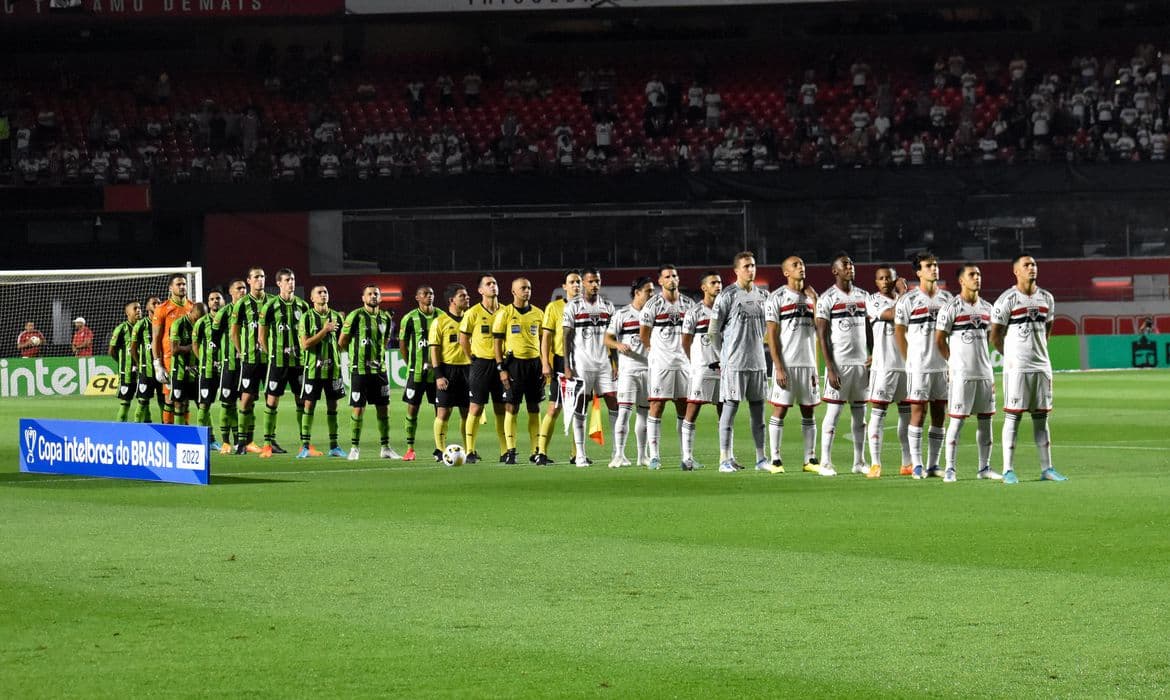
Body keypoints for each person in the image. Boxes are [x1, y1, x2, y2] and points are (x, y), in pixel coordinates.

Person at [990, 254, 1067, 484]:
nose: (1031, 268)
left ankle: (1047, 468)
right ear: (1016, 271)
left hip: (1042, 366)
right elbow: (995, 336)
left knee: (1041, 418)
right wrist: (1012, 356)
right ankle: (1008, 470)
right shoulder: (1007, 299)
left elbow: (1048, 328)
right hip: (1017, 368)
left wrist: (1039, 350)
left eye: (1033, 264)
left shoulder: (1047, 298)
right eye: (1026, 265)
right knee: (1013, 417)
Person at [709, 252, 770, 473]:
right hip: (734, 363)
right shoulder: (727, 295)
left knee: (758, 411)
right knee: (730, 409)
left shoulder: (763, 296)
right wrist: (722, 357)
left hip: (758, 363)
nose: (750, 270)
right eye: (746, 266)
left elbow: (765, 329)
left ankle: (761, 458)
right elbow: (714, 331)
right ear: (736, 270)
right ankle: (725, 458)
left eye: (753, 265)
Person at [936, 263, 998, 482]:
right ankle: (950, 468)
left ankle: (984, 468)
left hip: (984, 374)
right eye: (972, 275)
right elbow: (939, 339)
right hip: (962, 375)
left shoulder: (988, 309)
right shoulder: (951, 307)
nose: (977, 278)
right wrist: (953, 363)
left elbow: (992, 339)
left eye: (979, 274)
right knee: (957, 421)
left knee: (985, 421)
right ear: (961, 280)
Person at [895, 252, 952, 479]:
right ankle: (916, 464)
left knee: (939, 413)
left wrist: (951, 361)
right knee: (918, 413)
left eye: (935, 265)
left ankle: (933, 464)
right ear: (918, 272)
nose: (934, 269)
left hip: (942, 366)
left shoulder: (948, 299)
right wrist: (909, 359)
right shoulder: (908, 300)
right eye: (929, 266)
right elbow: (899, 332)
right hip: (919, 366)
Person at [815, 253, 872, 477]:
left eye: (852, 264)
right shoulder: (827, 297)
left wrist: (874, 354)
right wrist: (829, 367)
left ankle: (859, 461)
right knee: (834, 413)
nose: (851, 268)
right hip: (840, 364)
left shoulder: (864, 296)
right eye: (845, 265)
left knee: (860, 415)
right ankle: (826, 462)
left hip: (861, 365)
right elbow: (821, 334)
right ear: (835, 271)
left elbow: (870, 328)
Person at [764, 256, 821, 473]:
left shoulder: (811, 297)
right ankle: (776, 460)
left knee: (809, 411)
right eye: (795, 265)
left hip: (808, 364)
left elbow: (820, 329)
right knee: (780, 410)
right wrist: (778, 366)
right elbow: (772, 335)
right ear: (786, 272)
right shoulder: (776, 297)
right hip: (786, 364)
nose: (801, 268)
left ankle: (810, 459)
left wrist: (815, 301)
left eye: (802, 264)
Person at [640, 264, 696, 470]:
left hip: (684, 364)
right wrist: (654, 355)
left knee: (684, 407)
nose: (671, 279)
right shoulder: (652, 305)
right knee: (657, 406)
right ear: (660, 282)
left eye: (674, 275)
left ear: (678, 279)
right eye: (667, 276)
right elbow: (644, 335)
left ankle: (686, 457)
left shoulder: (689, 304)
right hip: (661, 364)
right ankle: (654, 456)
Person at [562, 268, 618, 467]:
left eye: (598, 281)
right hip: (582, 364)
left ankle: (617, 452)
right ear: (583, 283)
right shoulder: (573, 307)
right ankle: (580, 454)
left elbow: (613, 338)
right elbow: (566, 338)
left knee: (614, 403)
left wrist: (616, 363)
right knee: (581, 405)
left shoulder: (608, 307)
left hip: (604, 364)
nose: (595, 285)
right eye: (591, 281)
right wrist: (567, 366)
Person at [865, 264, 914, 478]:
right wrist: (904, 294)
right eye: (881, 278)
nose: (885, 282)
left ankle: (907, 463)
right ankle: (875, 464)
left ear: (896, 280)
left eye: (889, 278)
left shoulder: (907, 300)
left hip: (906, 366)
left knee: (907, 415)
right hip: (884, 366)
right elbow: (892, 314)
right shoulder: (873, 300)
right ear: (876, 282)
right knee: (878, 413)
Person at [257, 268, 311, 457]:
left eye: (293, 279)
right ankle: (267, 443)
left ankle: (305, 444)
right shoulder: (270, 307)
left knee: (302, 401)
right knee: (272, 401)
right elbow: (261, 337)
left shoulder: (303, 306)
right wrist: (272, 354)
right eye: (287, 280)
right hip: (278, 363)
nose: (291, 283)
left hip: (298, 362)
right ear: (279, 283)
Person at [340, 285, 397, 460]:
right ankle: (354, 448)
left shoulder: (386, 318)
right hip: (360, 370)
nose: (373, 296)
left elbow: (386, 340)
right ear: (363, 298)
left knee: (384, 409)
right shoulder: (355, 316)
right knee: (358, 409)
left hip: (379, 370)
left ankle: (386, 448)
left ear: (380, 298)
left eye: (376, 294)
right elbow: (342, 341)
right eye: (370, 294)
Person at [492, 278, 544, 465]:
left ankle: (536, 450)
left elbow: (544, 341)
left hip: (534, 365)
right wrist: (501, 368)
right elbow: (497, 343)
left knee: (534, 407)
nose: (527, 291)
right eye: (523, 288)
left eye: (529, 287)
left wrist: (545, 364)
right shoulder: (504, 314)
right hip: (514, 365)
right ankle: (511, 450)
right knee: (511, 407)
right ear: (513, 291)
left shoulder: (538, 313)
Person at [535, 270, 583, 466]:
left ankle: (577, 454)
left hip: (583, 361)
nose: (576, 285)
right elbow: (546, 337)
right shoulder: (554, 308)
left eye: (578, 282)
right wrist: (545, 362)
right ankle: (542, 452)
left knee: (580, 409)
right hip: (561, 361)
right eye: (572, 282)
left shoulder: (588, 308)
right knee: (555, 407)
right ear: (564, 286)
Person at [605, 276, 654, 468]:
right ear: (637, 293)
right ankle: (619, 455)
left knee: (644, 414)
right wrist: (618, 344)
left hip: (649, 370)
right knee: (624, 412)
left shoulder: (654, 315)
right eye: (649, 291)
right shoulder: (622, 314)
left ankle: (643, 456)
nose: (652, 295)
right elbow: (607, 339)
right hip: (629, 371)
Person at [459, 274, 508, 462]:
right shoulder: (473, 313)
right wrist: (471, 357)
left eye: (495, 283)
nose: (493, 286)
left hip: (501, 365)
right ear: (480, 290)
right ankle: (470, 450)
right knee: (476, 407)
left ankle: (505, 450)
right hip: (480, 364)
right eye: (488, 284)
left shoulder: (506, 311)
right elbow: (463, 338)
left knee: (501, 408)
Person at [680, 271, 724, 471]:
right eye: (713, 282)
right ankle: (687, 457)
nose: (718, 285)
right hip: (702, 370)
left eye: (720, 282)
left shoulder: (727, 310)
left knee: (725, 412)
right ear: (704, 287)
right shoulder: (694, 312)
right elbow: (685, 342)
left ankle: (726, 456)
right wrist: (696, 362)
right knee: (692, 410)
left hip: (724, 370)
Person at [297, 284, 347, 459]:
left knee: (333, 406)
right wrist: (324, 330)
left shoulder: (336, 317)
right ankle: (305, 446)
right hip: (313, 370)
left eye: (325, 292)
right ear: (312, 298)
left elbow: (343, 341)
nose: (323, 294)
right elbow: (305, 344)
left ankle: (334, 446)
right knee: (309, 405)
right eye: (319, 292)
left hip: (333, 370)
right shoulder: (306, 318)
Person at [429, 284, 472, 461]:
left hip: (468, 370)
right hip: (448, 370)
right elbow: (434, 350)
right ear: (451, 300)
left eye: (467, 295)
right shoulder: (440, 321)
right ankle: (440, 450)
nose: (467, 298)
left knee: (467, 412)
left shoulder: (471, 319)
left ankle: (470, 450)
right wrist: (438, 375)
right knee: (443, 412)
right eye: (462, 296)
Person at [230, 267, 269, 454]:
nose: (260, 280)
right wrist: (241, 352)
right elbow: (234, 333)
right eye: (256, 277)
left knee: (270, 399)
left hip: (269, 359)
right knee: (246, 399)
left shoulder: (272, 301)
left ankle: (265, 442)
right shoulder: (243, 304)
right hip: (251, 360)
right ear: (249, 280)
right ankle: (241, 441)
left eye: (262, 276)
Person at [398, 285, 439, 461]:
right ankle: (410, 448)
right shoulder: (409, 318)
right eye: (425, 294)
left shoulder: (442, 317)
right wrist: (411, 364)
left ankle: (440, 447)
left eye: (431, 293)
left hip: (437, 373)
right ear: (417, 297)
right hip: (416, 374)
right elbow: (403, 344)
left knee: (441, 411)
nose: (429, 296)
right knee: (413, 408)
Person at [151, 273, 192, 424]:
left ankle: (185, 434)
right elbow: (155, 338)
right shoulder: (162, 309)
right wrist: (157, 364)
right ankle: (168, 437)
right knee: (170, 399)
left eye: (184, 284)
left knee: (185, 400)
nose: (182, 287)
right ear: (170, 288)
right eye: (178, 284)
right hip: (170, 361)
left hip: (188, 360)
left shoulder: (192, 307)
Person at [215, 279, 247, 453]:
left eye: (244, 288)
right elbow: (213, 338)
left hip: (247, 365)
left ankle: (242, 441)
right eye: (239, 288)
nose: (242, 291)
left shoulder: (251, 310)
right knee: (227, 404)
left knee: (245, 404)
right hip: (229, 365)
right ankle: (225, 442)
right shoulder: (224, 313)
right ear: (231, 292)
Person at [191, 290, 225, 446]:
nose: (215, 301)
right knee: (204, 404)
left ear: (223, 300)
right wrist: (203, 360)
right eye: (211, 299)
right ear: (208, 303)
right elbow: (195, 344)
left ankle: (233, 442)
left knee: (229, 405)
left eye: (218, 298)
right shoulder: (201, 322)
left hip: (226, 369)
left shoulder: (229, 319)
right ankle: (201, 440)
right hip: (208, 371)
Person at [168, 302, 206, 425]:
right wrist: (194, 346)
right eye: (197, 317)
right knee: (179, 404)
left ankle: (210, 438)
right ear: (191, 312)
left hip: (197, 371)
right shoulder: (178, 324)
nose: (199, 321)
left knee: (203, 404)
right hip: (180, 371)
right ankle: (180, 436)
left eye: (202, 317)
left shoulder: (204, 324)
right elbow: (174, 350)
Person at [129, 296, 163, 423]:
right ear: (147, 307)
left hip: (162, 371)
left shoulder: (164, 323)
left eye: (159, 303)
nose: (157, 305)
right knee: (142, 402)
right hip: (146, 372)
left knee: (164, 403)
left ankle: (166, 431)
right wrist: (140, 364)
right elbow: (133, 349)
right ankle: (136, 431)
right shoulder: (141, 325)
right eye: (154, 303)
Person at [109, 301, 142, 422]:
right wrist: (123, 362)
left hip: (143, 372)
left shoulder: (144, 326)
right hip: (127, 373)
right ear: (127, 312)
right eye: (135, 308)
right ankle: (120, 431)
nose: (138, 310)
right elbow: (111, 350)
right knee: (125, 404)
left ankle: (140, 429)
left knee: (143, 402)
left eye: (139, 308)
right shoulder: (121, 329)